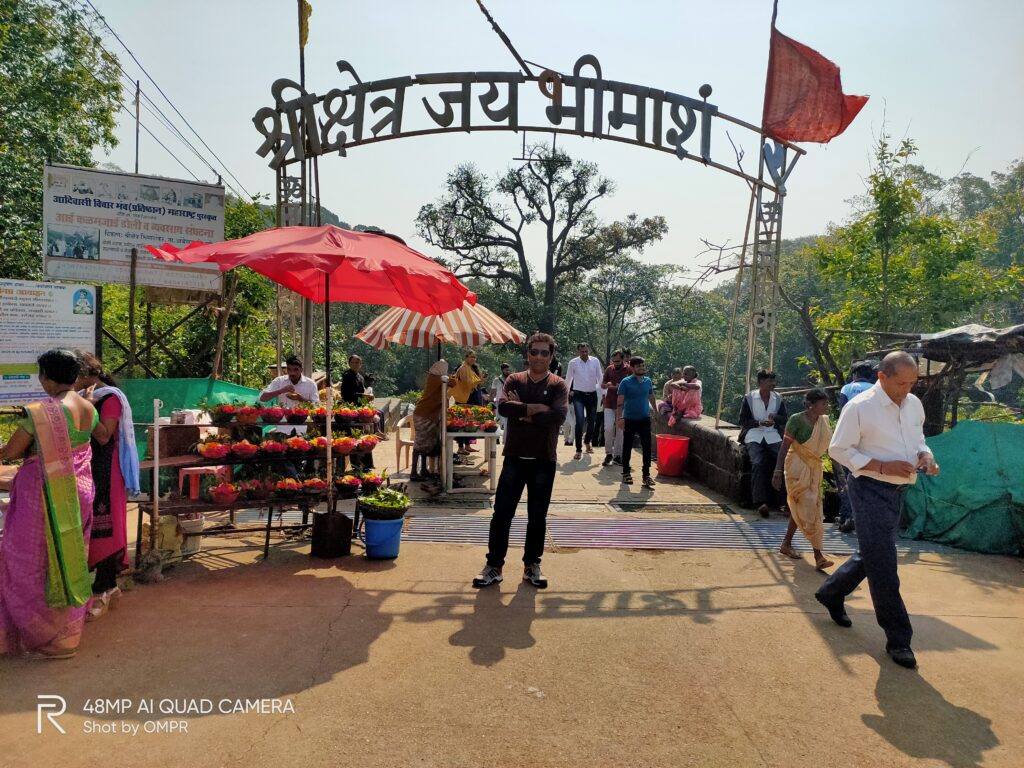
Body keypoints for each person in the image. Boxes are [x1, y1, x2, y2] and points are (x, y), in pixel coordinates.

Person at [815, 352, 939, 670]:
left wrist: (925, 456)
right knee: (884, 563)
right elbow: (838, 450)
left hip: (898, 488)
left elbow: (917, 438)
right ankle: (899, 639)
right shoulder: (860, 407)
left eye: (913, 383)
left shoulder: (913, 404)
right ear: (882, 377)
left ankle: (832, 591)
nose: (907, 389)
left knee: (874, 551)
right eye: (901, 383)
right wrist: (882, 464)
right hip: (869, 488)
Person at [0, 350, 96, 659]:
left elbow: (13, 451)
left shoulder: (44, 411)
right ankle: (66, 637)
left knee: (27, 561)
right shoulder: (87, 407)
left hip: (43, 495)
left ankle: (36, 631)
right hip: (78, 491)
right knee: (69, 559)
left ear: (46, 377)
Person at [473, 333, 568, 590]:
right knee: (502, 514)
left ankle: (531, 565)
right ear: (527, 354)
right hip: (514, 457)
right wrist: (537, 408)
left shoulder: (558, 384)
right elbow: (503, 408)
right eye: (534, 352)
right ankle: (494, 565)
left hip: (543, 459)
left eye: (544, 353)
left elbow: (559, 415)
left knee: (537, 516)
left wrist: (523, 410)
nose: (538, 357)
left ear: (551, 356)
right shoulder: (515, 379)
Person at [75, 352, 140, 620]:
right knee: (91, 523)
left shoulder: (109, 399)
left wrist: (86, 407)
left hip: (107, 468)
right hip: (87, 465)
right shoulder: (83, 398)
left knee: (106, 524)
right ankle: (109, 587)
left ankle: (102, 586)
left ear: (88, 375)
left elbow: (103, 436)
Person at [772, 389, 835, 571]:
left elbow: (830, 449)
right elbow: (784, 448)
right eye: (823, 403)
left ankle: (787, 543)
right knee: (808, 504)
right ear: (811, 405)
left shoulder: (823, 422)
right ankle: (818, 554)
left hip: (814, 468)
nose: (827, 406)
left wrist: (840, 477)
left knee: (807, 505)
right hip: (796, 467)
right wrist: (777, 471)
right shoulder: (796, 420)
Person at [739, 370, 788, 517]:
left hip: (772, 435)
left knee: (785, 462)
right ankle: (760, 502)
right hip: (754, 434)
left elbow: (784, 419)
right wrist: (759, 422)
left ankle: (784, 502)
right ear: (761, 383)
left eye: (773, 381)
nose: (772, 385)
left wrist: (775, 418)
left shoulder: (778, 399)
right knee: (757, 462)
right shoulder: (749, 398)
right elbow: (743, 420)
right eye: (769, 382)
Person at [835, 361, 876, 533]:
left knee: (846, 478)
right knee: (866, 479)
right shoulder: (876, 389)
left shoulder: (847, 389)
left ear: (855, 374)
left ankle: (847, 515)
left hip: (850, 439)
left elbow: (842, 412)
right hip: (870, 441)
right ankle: (864, 518)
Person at [616, 356, 658, 488]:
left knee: (647, 447)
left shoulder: (647, 381)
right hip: (629, 419)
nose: (641, 368)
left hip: (644, 419)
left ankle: (646, 475)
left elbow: (651, 396)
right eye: (639, 366)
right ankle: (626, 472)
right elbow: (620, 402)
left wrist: (656, 411)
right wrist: (620, 418)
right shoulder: (626, 382)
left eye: (643, 366)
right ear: (632, 367)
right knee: (627, 446)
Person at [411, 360, 449, 481]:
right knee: (419, 444)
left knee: (425, 445)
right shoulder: (435, 378)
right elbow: (452, 382)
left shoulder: (436, 377)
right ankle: (413, 472)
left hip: (427, 414)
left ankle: (423, 470)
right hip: (424, 414)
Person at [565, 343, 603, 460]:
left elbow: (600, 378)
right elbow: (568, 379)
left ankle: (587, 442)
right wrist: (565, 396)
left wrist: (604, 394)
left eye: (587, 351)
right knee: (580, 421)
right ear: (578, 352)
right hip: (578, 395)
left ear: (589, 351)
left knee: (592, 422)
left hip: (592, 395)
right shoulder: (573, 363)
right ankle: (578, 449)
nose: (585, 354)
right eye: (582, 352)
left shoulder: (595, 361)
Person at [600, 350, 632, 467]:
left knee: (620, 431)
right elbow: (602, 384)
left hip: (623, 404)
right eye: (614, 361)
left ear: (623, 359)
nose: (616, 363)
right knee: (608, 428)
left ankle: (617, 455)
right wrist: (606, 385)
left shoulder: (629, 370)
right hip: (609, 402)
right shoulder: (609, 369)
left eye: (618, 361)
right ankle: (609, 453)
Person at [449, 350, 484, 456]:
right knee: (461, 423)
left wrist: (480, 380)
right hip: (464, 399)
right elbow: (466, 384)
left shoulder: (470, 368)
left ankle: (467, 445)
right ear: (466, 357)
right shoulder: (463, 368)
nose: (473, 359)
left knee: (469, 423)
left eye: (475, 357)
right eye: (471, 357)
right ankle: (460, 447)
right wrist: (479, 381)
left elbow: (473, 383)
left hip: (471, 398)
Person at [490, 363, 512, 433]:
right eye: (506, 370)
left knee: (507, 419)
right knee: (498, 419)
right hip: (499, 402)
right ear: (502, 370)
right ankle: (497, 436)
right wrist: (491, 401)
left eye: (509, 370)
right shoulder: (496, 380)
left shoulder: (511, 379)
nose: (508, 371)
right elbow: (493, 392)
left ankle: (505, 435)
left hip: (508, 402)